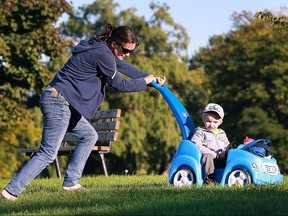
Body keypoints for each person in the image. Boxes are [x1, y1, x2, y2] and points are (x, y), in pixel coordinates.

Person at [1, 24, 166, 201]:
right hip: (59, 101)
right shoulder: (103, 54)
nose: (127, 54)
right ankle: (10, 191)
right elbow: (119, 84)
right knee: (48, 152)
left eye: (131, 51)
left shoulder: (102, 49)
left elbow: (125, 68)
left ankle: (71, 183)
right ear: (115, 44)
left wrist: (151, 78)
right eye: (125, 49)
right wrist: (144, 82)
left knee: (89, 136)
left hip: (61, 100)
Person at [191, 103, 230, 185]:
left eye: (215, 122)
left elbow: (227, 145)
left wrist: (225, 152)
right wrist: (214, 153)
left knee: (231, 155)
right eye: (208, 121)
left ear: (220, 122)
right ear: (203, 119)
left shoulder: (222, 133)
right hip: (207, 158)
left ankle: (230, 175)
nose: (211, 125)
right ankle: (209, 178)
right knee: (208, 156)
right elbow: (196, 144)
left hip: (221, 157)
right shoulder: (200, 131)